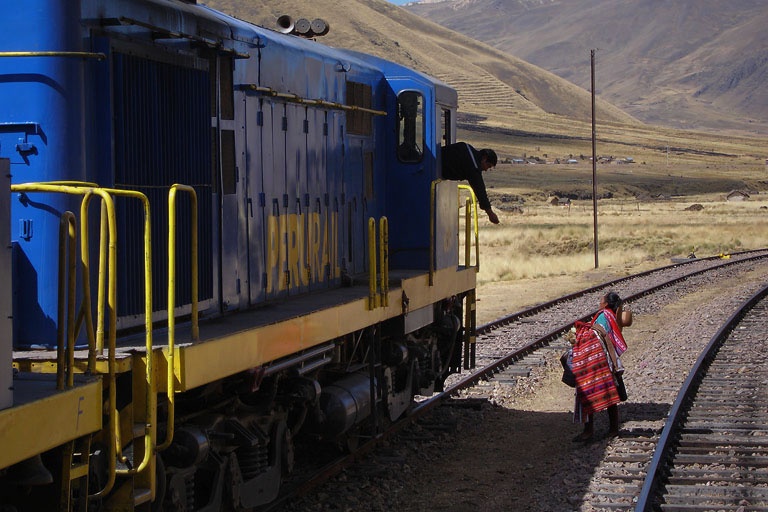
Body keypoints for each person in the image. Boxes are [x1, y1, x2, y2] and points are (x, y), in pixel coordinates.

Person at [571, 291, 628, 442]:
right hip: (607, 359)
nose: (599, 302)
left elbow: (596, 335)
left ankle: (589, 430)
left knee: (588, 392)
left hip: (599, 360)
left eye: (601, 300)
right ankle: (613, 428)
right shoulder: (611, 315)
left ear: (606, 304)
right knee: (611, 393)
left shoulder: (603, 316)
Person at [441, 142, 500, 224]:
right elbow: (480, 190)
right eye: (488, 166)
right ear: (484, 158)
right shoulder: (473, 166)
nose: (486, 169)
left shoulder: (467, 148)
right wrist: (490, 214)